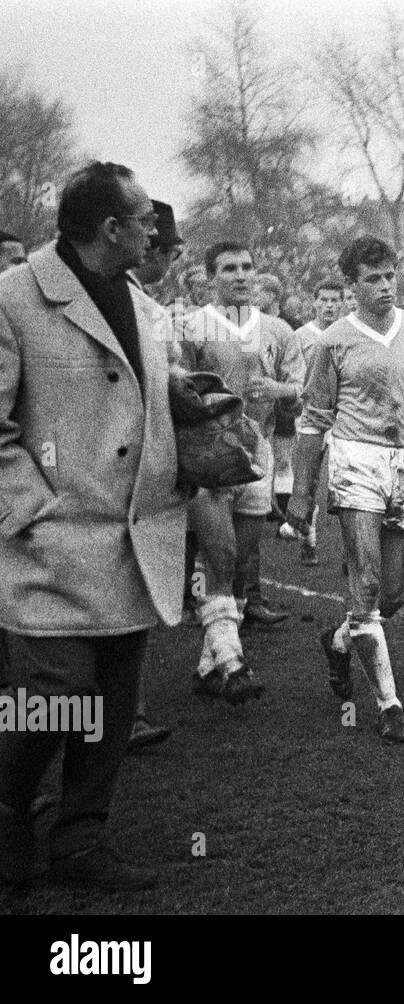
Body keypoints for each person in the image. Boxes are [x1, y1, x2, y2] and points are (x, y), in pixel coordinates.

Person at [0, 162, 188, 890]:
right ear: (111, 228)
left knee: (110, 702)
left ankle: (80, 840)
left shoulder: (141, 304)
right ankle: (8, 807)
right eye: (143, 220)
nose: (154, 230)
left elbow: (141, 404)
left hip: (131, 535)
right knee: (55, 693)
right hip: (49, 540)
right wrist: (30, 510)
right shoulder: (15, 297)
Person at [287, 236, 404, 742]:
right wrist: (301, 490)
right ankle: (389, 705)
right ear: (351, 286)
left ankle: (339, 640)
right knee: (364, 583)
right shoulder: (333, 341)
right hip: (356, 459)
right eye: (372, 279)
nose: (385, 287)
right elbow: (314, 419)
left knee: (394, 595)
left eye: (390, 276)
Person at [179, 241, 302, 709]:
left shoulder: (276, 328)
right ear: (212, 277)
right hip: (209, 453)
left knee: (240, 559)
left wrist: (279, 388)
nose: (241, 275)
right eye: (229, 268)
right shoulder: (190, 325)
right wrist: (204, 402)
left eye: (247, 267)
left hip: (258, 451)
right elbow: (174, 385)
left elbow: (299, 391)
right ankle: (232, 662)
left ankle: (211, 665)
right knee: (220, 552)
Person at [123, 199, 186, 753]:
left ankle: (125, 715)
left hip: (138, 483)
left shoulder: (149, 310)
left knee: (132, 604)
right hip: (69, 491)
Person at [281, 279, 346, 566]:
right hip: (310, 416)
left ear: (342, 303)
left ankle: (354, 554)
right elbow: (292, 376)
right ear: (315, 302)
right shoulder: (300, 336)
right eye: (325, 300)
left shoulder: (350, 334)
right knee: (308, 482)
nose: (330, 305)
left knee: (346, 485)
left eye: (335, 300)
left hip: (344, 418)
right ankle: (308, 535)